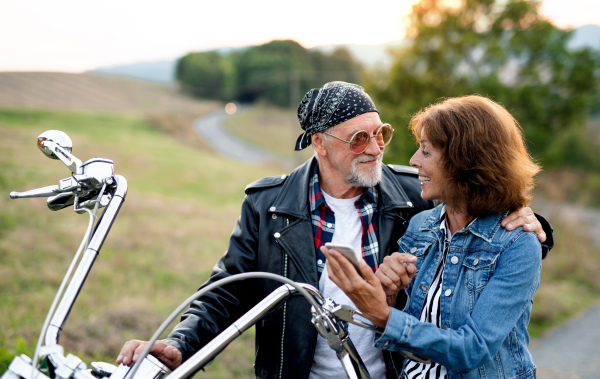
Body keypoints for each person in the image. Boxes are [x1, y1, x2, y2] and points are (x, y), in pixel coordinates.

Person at [117, 83, 552, 379]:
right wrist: (179, 343)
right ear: (319, 143)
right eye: (358, 139)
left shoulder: (412, 195)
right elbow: (229, 290)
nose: (378, 148)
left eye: (380, 133)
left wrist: (538, 226)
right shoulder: (268, 205)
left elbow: (481, 214)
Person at [324, 95, 545, 379]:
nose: (414, 160)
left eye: (426, 151)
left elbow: (472, 349)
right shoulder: (420, 226)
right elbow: (419, 323)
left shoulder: (517, 243)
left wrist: (383, 314)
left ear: (466, 161)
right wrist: (390, 296)